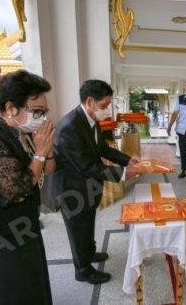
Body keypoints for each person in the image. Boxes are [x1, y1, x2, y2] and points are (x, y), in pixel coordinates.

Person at [51, 79, 141, 285]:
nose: (106, 109)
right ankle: (82, 269)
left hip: (86, 186)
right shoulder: (69, 127)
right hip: (71, 189)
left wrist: (127, 160)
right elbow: (85, 166)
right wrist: (124, 173)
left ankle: (89, 253)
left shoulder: (91, 120)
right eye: (104, 105)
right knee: (78, 229)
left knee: (87, 223)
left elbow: (103, 149)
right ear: (90, 102)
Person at [0, 69, 56, 305]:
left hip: (24, 224)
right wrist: (40, 153)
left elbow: (49, 171)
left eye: (45, 112)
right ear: (11, 108)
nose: (42, 118)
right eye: (37, 112)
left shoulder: (23, 131)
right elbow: (19, 191)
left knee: (35, 284)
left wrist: (47, 150)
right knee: (14, 292)